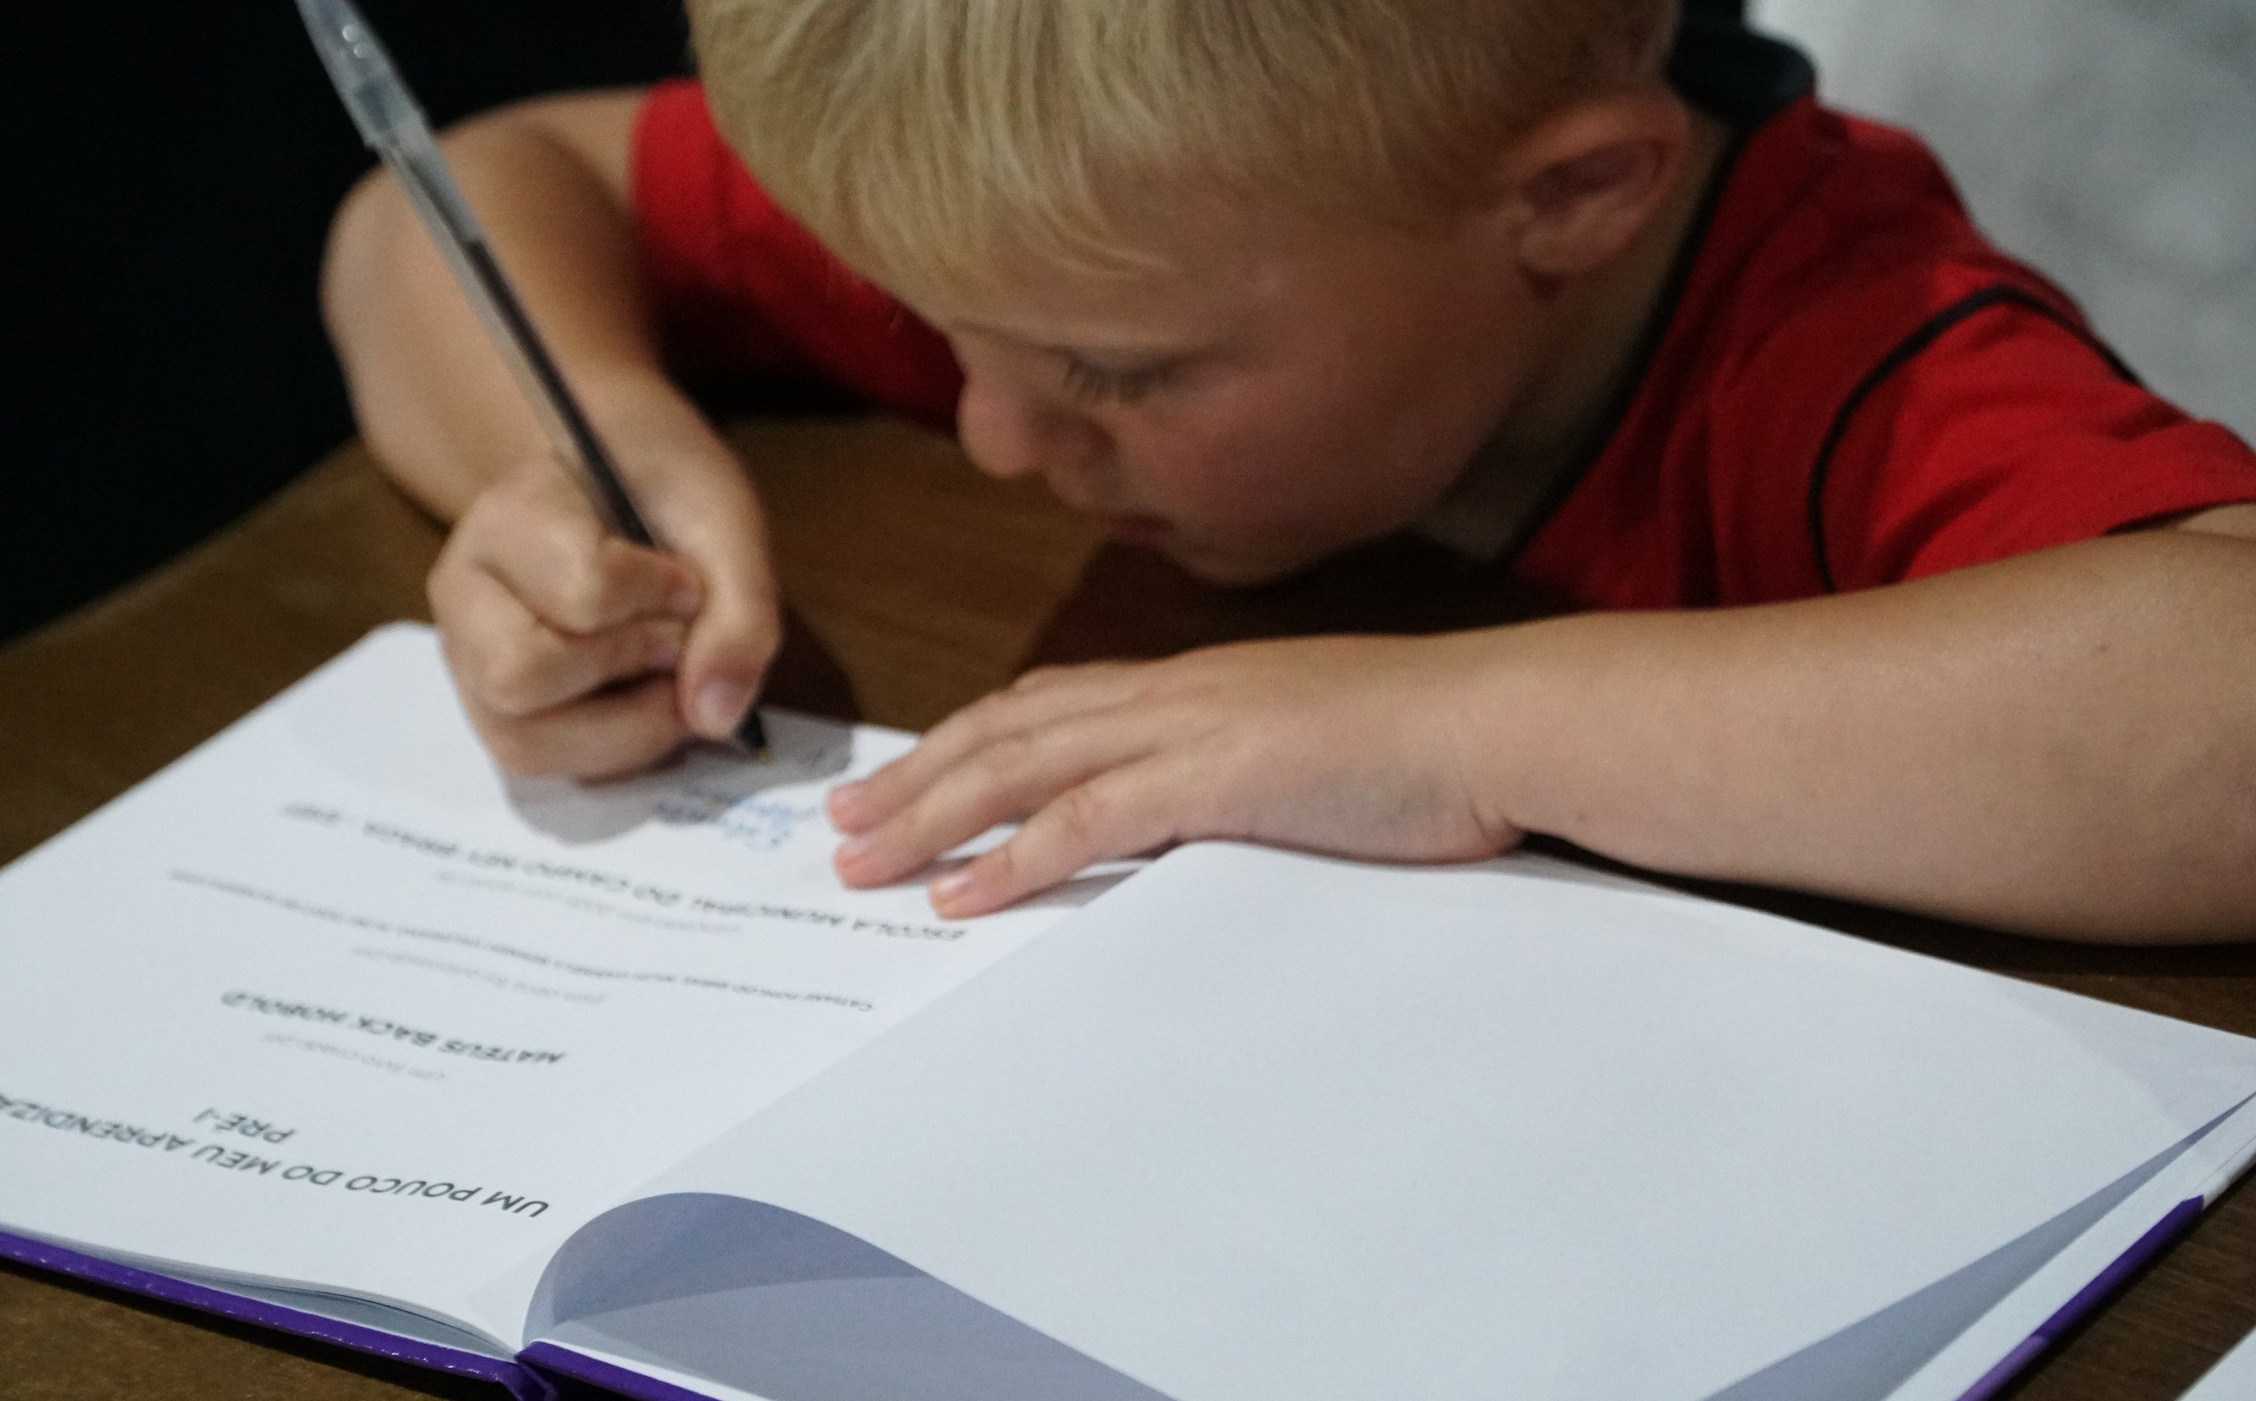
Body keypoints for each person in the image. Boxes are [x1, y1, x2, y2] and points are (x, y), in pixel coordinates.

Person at [320, 0, 2256, 943]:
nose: (996, 432)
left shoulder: (1826, 343)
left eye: (1110, 372)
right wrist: (590, 446)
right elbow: (451, 210)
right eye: (915, 319)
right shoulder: (1082, 201)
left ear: (1567, 200)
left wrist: (1457, 727)